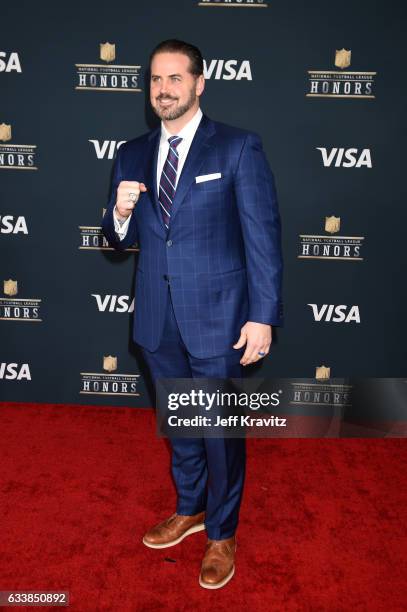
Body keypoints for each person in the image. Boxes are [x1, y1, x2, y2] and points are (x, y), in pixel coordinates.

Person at [102, 38, 283, 590]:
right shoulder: (131, 152)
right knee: (181, 426)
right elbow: (113, 238)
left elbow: (262, 238)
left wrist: (264, 315)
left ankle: (222, 533)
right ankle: (191, 508)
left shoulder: (236, 147)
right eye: (156, 80)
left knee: (219, 433)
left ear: (199, 84)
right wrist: (120, 211)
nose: (164, 89)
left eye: (175, 79)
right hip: (157, 318)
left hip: (221, 318)